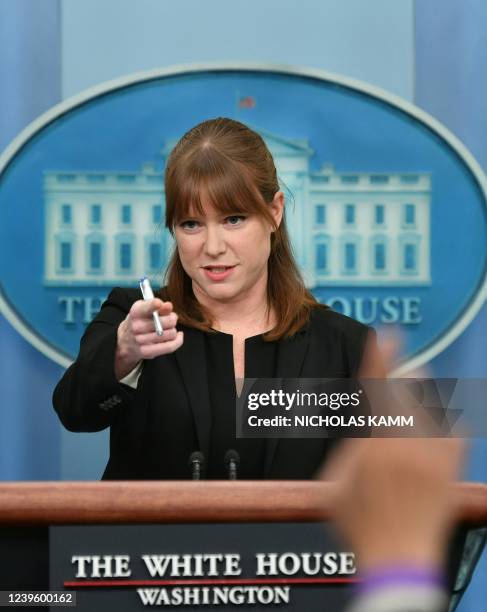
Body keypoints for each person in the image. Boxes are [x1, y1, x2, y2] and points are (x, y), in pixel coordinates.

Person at [52, 117, 374, 480]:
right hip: (155, 538)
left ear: (274, 212)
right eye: (191, 224)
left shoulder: (348, 344)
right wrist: (123, 353)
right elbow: (73, 411)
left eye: (233, 219)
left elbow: (407, 480)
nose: (214, 247)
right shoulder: (133, 319)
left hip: (296, 540)